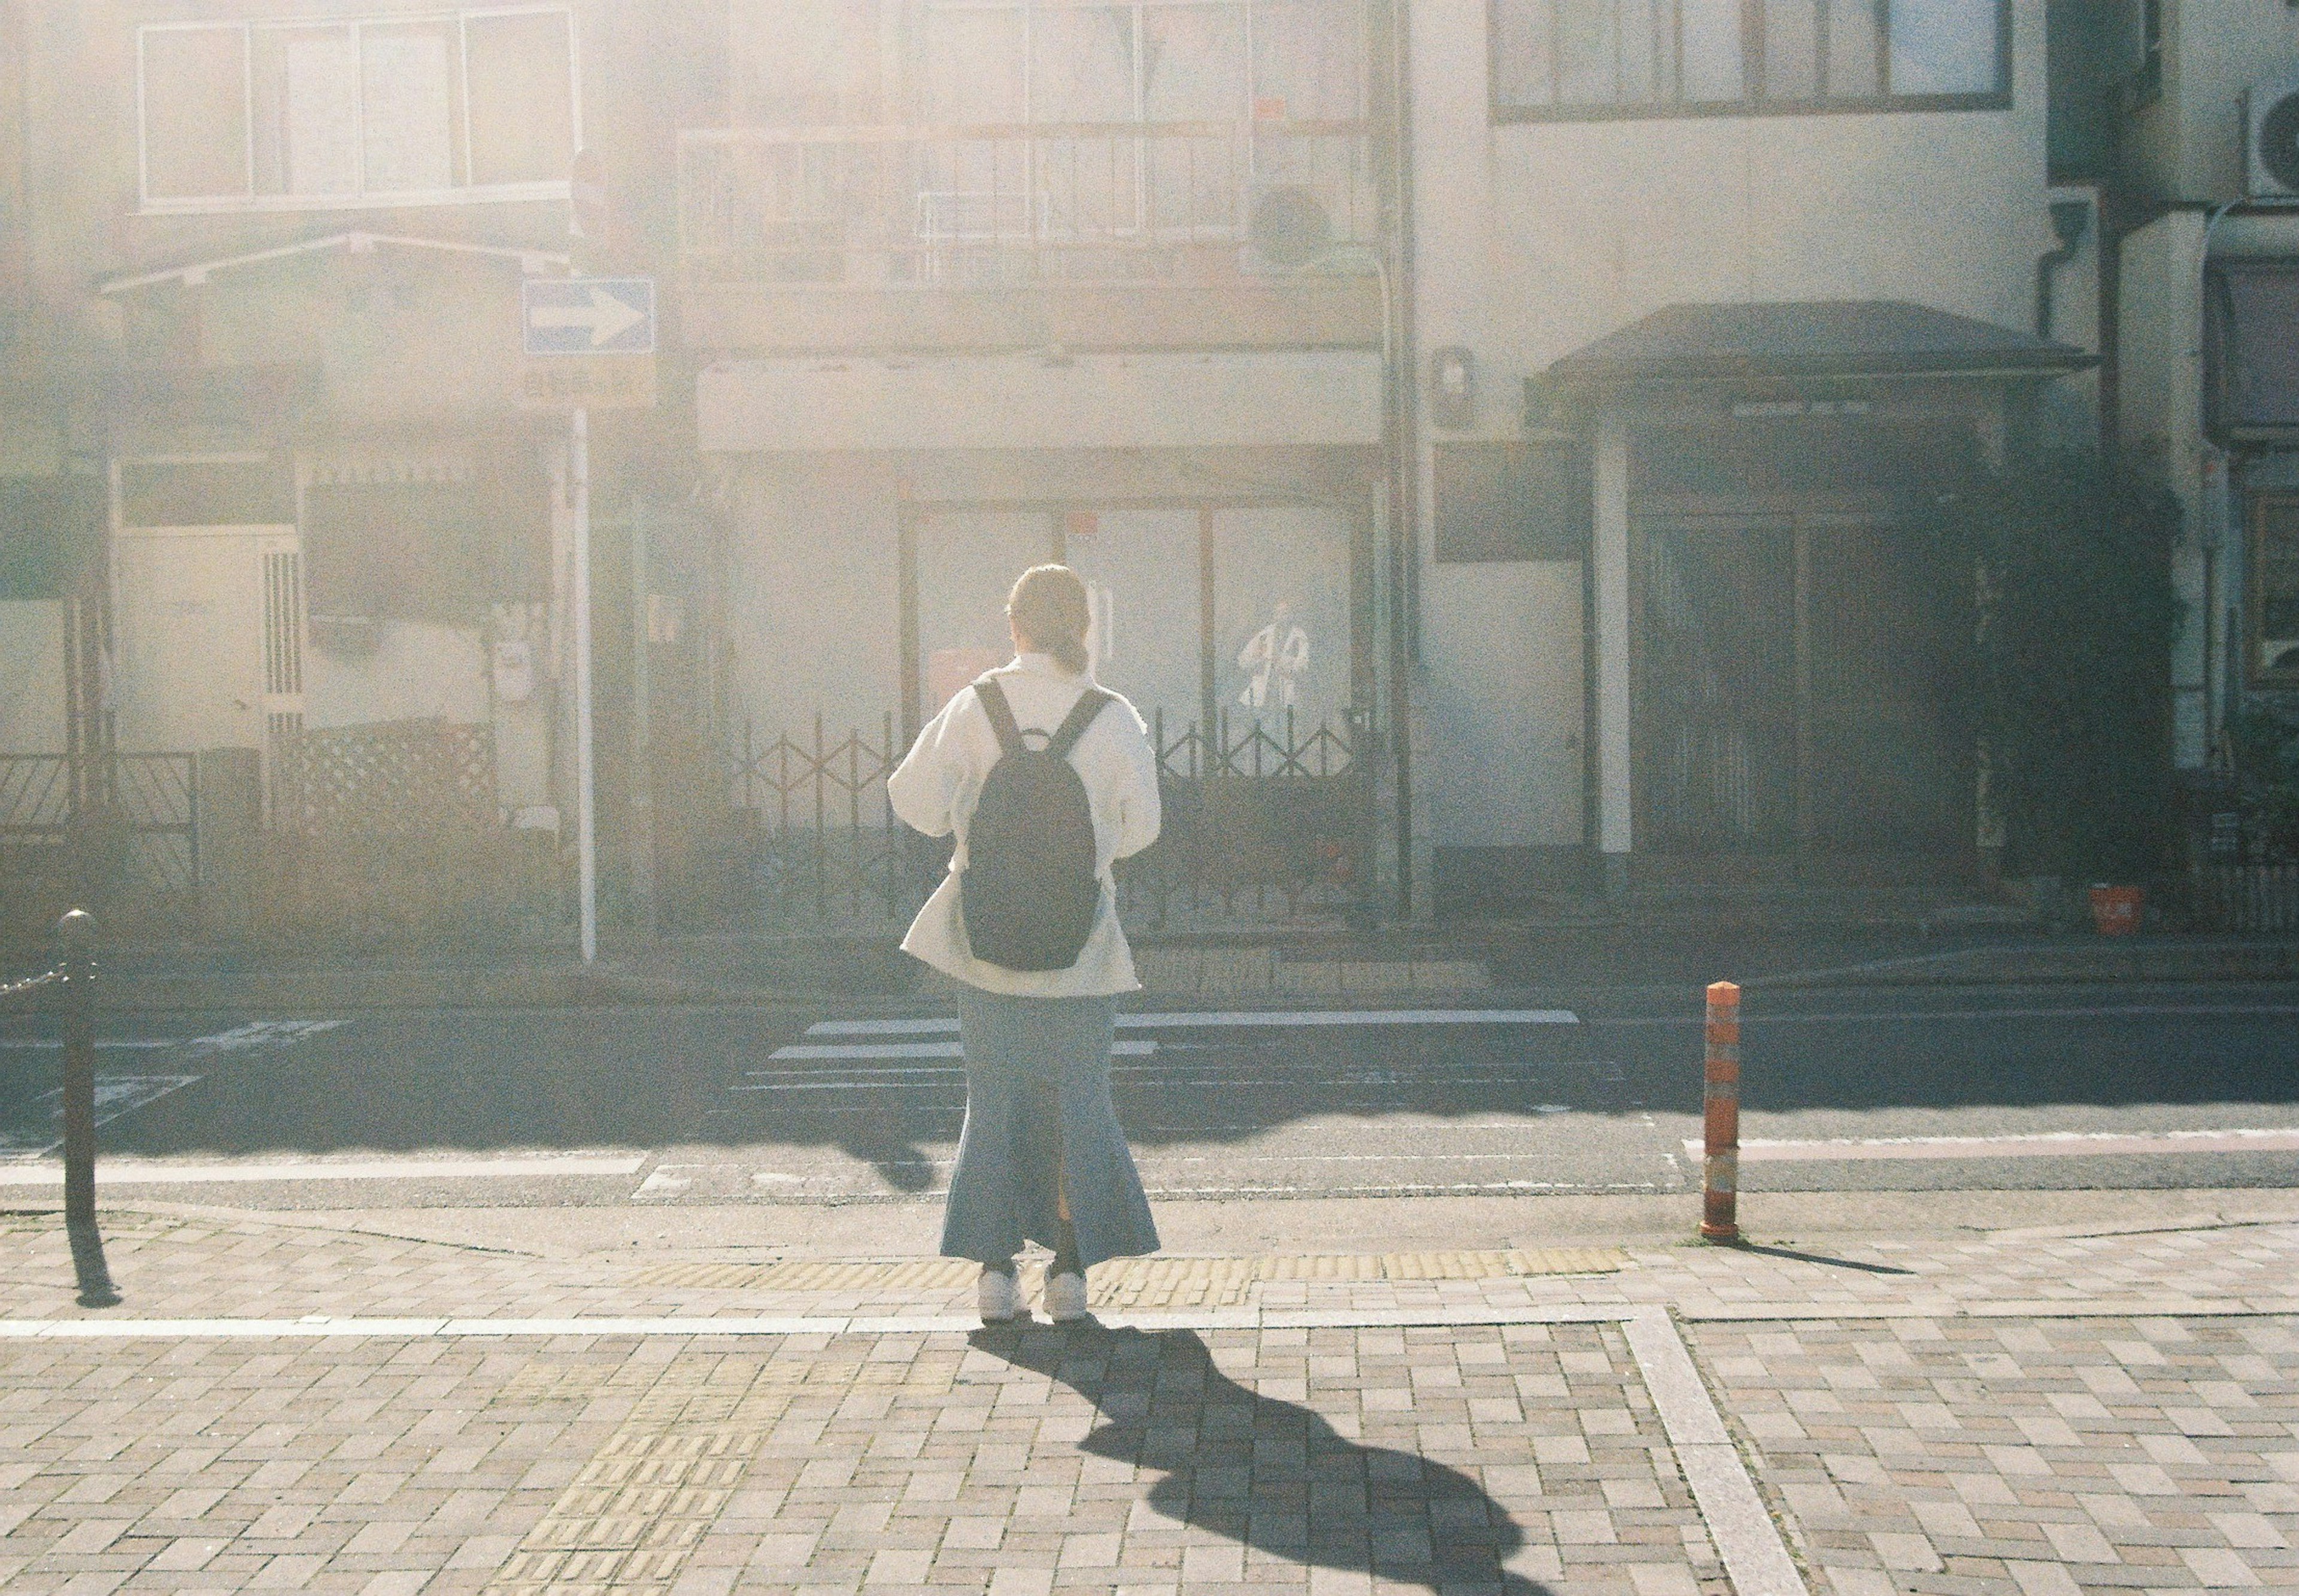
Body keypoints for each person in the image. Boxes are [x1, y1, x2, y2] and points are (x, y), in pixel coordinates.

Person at [888, 564, 1163, 1324]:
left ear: (1013, 627)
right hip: (1083, 948)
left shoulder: (975, 706)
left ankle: (994, 1271)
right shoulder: (1112, 715)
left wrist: (969, 814)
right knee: (1080, 1102)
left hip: (985, 944)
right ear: (1083, 628)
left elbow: (911, 799)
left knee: (995, 1100)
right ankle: (1070, 1274)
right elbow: (1144, 829)